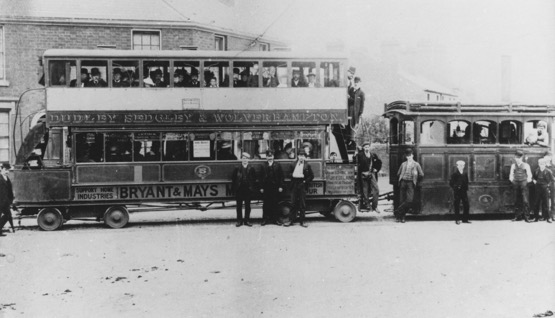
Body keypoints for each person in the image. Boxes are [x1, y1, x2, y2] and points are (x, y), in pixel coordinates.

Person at [285, 150, 314, 227]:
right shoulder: (293, 164)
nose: (301, 157)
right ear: (298, 156)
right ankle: (291, 220)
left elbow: (311, 176)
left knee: (302, 204)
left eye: (303, 156)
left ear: (305, 157)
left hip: (302, 185)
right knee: (293, 203)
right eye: (300, 156)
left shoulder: (307, 165)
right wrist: (293, 175)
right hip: (294, 184)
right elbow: (288, 174)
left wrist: (304, 181)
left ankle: (302, 221)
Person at [396, 148, 424, 223]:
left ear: (413, 156)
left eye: (410, 156)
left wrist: (416, 180)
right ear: (406, 157)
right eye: (408, 156)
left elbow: (421, 174)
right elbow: (398, 173)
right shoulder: (403, 164)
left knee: (409, 200)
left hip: (411, 183)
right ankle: (402, 217)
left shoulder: (416, 164)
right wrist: (401, 178)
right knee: (402, 200)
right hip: (403, 182)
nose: (409, 157)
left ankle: (398, 211)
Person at [260, 150, 284, 226]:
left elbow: (281, 177)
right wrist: (261, 187)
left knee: (275, 203)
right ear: (266, 157)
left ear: (273, 156)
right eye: (268, 156)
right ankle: (265, 219)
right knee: (266, 204)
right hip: (266, 187)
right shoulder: (263, 165)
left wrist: (280, 186)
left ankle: (275, 219)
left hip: (275, 187)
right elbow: (260, 178)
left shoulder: (277, 165)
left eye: (271, 156)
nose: (270, 158)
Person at [356, 141, 382, 213]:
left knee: (376, 190)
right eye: (365, 147)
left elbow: (379, 162)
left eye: (368, 147)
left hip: (371, 174)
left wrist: (376, 169)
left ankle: (375, 206)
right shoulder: (360, 155)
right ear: (363, 148)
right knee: (365, 191)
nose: (367, 148)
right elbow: (355, 161)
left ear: (370, 147)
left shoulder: (373, 155)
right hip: (363, 175)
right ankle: (367, 205)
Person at [232, 153, 256, 227]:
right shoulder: (237, 168)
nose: (245, 159)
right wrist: (234, 188)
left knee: (247, 206)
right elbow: (234, 179)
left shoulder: (251, 168)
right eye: (243, 158)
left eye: (246, 158)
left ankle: (247, 220)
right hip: (239, 189)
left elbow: (253, 179)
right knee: (239, 206)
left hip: (248, 189)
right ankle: (239, 221)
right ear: (241, 159)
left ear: (248, 159)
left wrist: (252, 188)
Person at [509, 149, 533, 222]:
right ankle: (517, 216)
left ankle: (527, 217)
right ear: (515, 158)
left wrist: (526, 182)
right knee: (516, 200)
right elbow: (511, 175)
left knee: (525, 200)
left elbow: (529, 175)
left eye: (519, 158)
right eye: (516, 158)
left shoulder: (526, 165)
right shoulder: (513, 165)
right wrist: (513, 181)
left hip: (523, 184)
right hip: (516, 183)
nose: (518, 159)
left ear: (521, 158)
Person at [532, 158, 553, 223]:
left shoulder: (548, 171)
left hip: (545, 188)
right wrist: (534, 181)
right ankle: (536, 217)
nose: (542, 165)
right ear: (538, 164)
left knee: (546, 203)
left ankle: (548, 218)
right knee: (536, 203)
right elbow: (533, 177)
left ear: (545, 164)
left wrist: (548, 186)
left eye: (543, 164)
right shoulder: (536, 171)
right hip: (538, 188)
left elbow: (552, 180)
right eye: (540, 164)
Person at [0, 163, 16, 236]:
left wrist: (11, 200)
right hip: (1, 201)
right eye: (6, 170)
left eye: (8, 170)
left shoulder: (7, 178)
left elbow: (9, 190)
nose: (7, 172)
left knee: (7, 215)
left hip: (6, 201)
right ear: (1, 169)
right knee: (7, 215)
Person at [542, 151, 555, 221]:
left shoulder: (553, 166)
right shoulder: (542, 166)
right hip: (545, 185)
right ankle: (546, 216)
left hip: (552, 185)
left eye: (550, 157)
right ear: (544, 157)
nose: (548, 158)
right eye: (547, 156)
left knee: (553, 200)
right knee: (545, 200)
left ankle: (553, 215)